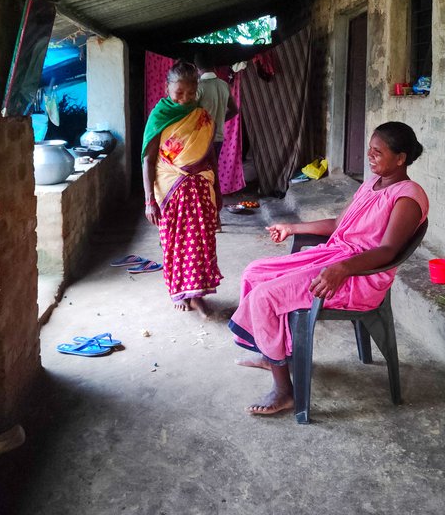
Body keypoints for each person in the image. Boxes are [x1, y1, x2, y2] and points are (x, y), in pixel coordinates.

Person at [228, 121, 429, 415]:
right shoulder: (371, 185)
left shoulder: (407, 197)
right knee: (254, 272)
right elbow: (338, 225)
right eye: (369, 151)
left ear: (400, 158)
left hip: (359, 277)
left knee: (265, 296)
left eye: (378, 152)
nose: (370, 157)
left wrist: (344, 268)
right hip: (336, 258)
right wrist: (291, 227)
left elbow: (387, 251)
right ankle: (271, 353)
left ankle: (284, 390)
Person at [142, 60, 222, 317]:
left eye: (190, 93)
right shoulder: (159, 116)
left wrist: (218, 192)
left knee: (201, 241)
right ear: (167, 88)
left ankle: (197, 295)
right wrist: (148, 200)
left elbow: (210, 156)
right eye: (179, 93)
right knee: (175, 242)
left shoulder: (201, 117)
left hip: (200, 187)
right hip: (169, 188)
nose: (184, 99)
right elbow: (148, 159)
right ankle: (179, 293)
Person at [194, 51, 239, 158]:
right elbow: (234, 110)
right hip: (218, 138)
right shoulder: (224, 85)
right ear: (213, 66)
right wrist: (218, 119)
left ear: (197, 68)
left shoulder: (198, 87)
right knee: (212, 172)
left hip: (202, 139)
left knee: (202, 173)